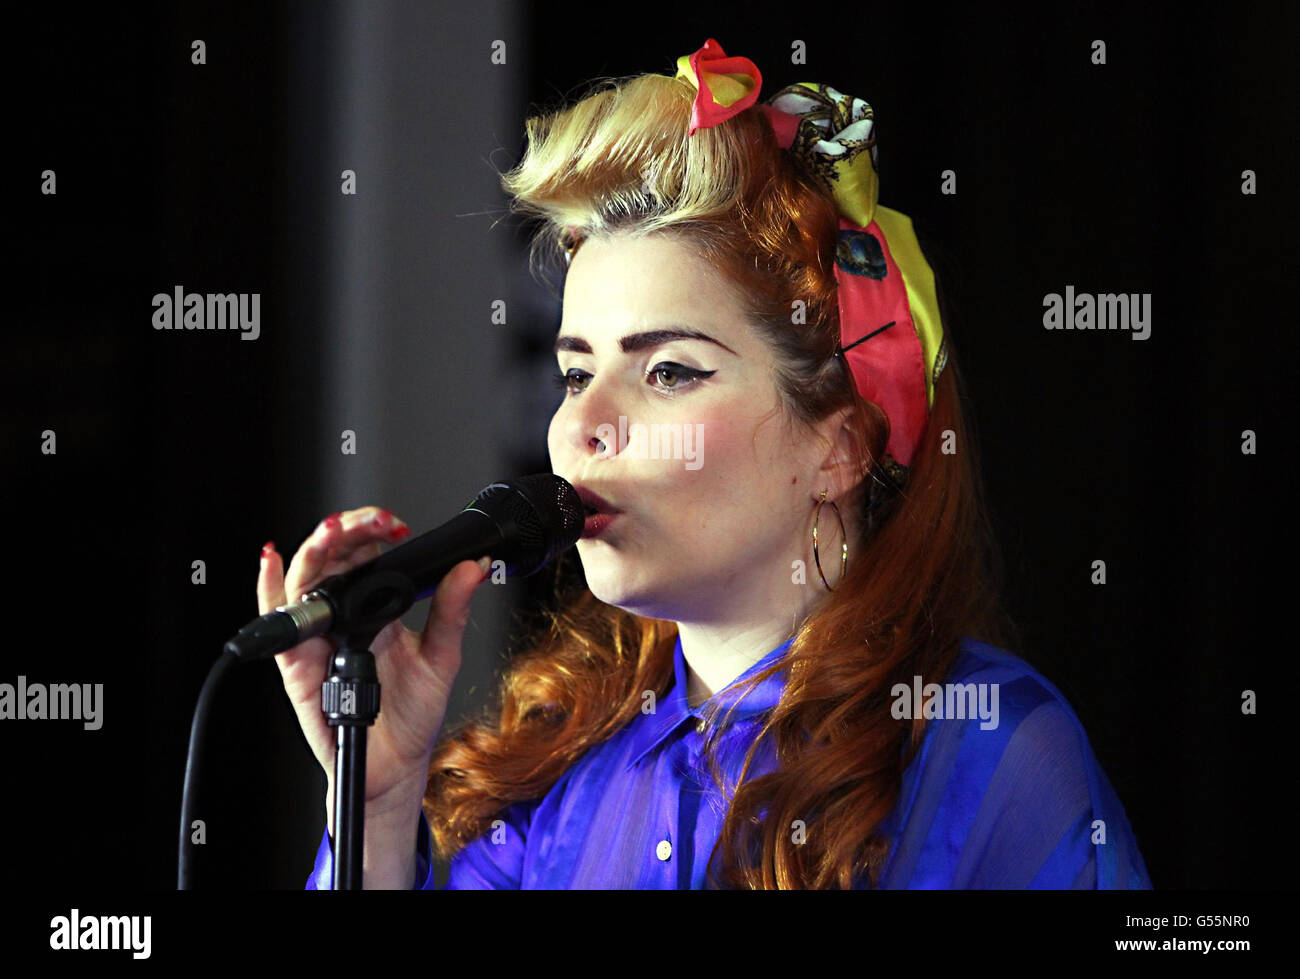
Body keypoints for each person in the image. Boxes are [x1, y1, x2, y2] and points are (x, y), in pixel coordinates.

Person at [258, 38, 1152, 889]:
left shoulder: (987, 748)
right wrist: (377, 806)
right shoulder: (557, 766)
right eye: (575, 372)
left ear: (838, 445)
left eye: (669, 371)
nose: (581, 425)